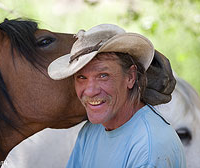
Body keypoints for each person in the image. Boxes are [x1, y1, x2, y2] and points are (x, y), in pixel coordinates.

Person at [48, 24, 186, 168]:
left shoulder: (149, 148)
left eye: (103, 75)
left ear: (131, 77)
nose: (90, 91)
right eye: (81, 77)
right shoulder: (90, 132)